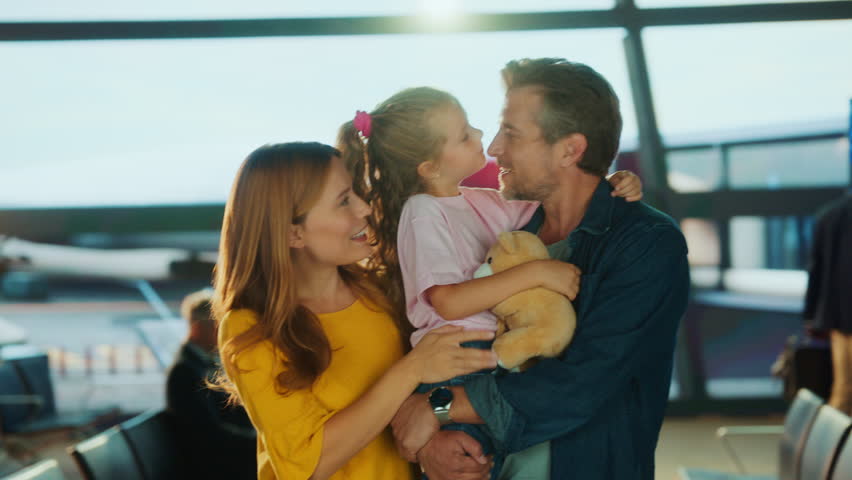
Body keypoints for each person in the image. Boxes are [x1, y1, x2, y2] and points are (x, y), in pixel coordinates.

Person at [390, 58, 691, 480]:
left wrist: (437, 406)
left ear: (570, 149)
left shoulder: (646, 243)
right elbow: (446, 334)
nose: (493, 148)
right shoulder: (506, 228)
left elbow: (581, 384)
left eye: (511, 133)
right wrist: (433, 444)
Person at [337, 87, 642, 478]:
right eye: (464, 134)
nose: (481, 136)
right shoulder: (422, 212)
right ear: (428, 167)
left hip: (494, 356)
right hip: (457, 361)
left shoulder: (481, 202)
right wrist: (534, 273)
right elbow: (447, 301)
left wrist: (610, 185)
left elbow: (565, 200)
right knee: (469, 464)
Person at [212, 142, 498, 480]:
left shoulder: (380, 292)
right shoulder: (250, 327)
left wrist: (429, 444)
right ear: (293, 233)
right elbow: (306, 465)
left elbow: (408, 413)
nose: (363, 208)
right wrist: (412, 369)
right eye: (343, 200)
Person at [166, 288, 257, 479]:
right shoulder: (184, 372)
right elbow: (207, 435)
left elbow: (230, 411)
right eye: (218, 326)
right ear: (197, 329)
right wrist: (258, 441)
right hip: (208, 467)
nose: (225, 334)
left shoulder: (197, 364)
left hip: (217, 456)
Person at [804, 192, 852, 414]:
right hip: (840, 317)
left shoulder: (828, 216)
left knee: (843, 388)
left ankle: (833, 446)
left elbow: (816, 270)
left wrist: (811, 314)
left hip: (838, 318)